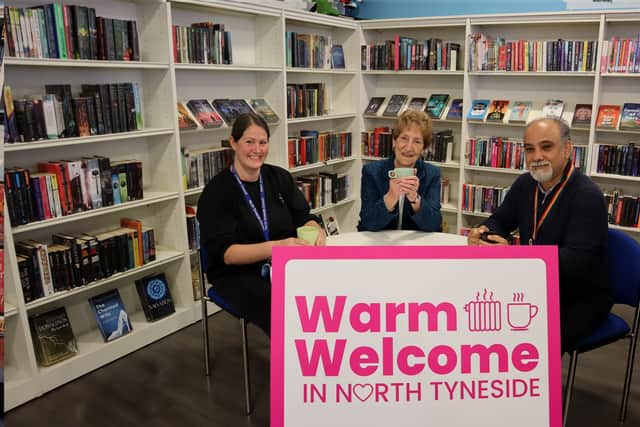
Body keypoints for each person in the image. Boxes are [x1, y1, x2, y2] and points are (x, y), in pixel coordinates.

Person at [467, 117, 611, 353]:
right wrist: (484, 234)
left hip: (579, 296)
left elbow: (574, 263)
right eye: (529, 149)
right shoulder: (525, 184)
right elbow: (499, 220)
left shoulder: (588, 197)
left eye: (546, 147)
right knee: (480, 318)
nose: (536, 157)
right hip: (534, 284)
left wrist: (515, 255)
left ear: (567, 149)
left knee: (533, 342)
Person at [197, 112, 326, 336]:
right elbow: (228, 254)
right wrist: (278, 247)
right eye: (249, 142)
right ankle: (296, 364)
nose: (257, 149)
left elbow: (303, 215)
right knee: (281, 306)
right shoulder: (216, 192)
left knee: (327, 289)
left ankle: (326, 356)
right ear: (233, 143)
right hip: (238, 272)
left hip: (283, 262)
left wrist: (315, 230)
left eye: (263, 142)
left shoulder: (279, 177)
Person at [358, 109, 442, 231]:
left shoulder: (432, 174)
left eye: (417, 141)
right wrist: (391, 197)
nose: (408, 148)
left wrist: (415, 199)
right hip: (381, 245)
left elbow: (434, 225)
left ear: (423, 148)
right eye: (404, 138)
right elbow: (367, 224)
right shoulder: (372, 172)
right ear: (394, 141)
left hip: (416, 246)